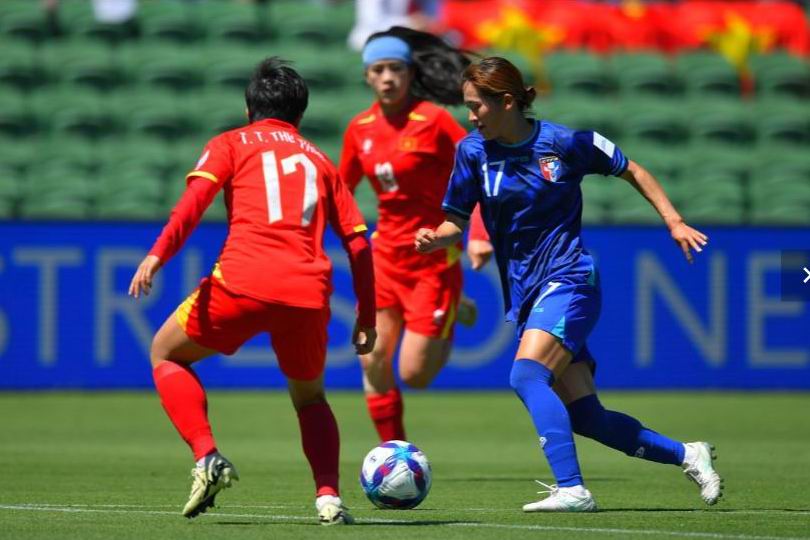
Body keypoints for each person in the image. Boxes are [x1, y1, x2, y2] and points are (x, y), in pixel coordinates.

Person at [415, 56, 723, 512]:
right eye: (467, 106)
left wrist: (674, 221)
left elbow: (633, 169)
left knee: (526, 375)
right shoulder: (472, 152)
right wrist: (434, 238)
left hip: (569, 278)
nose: (471, 115)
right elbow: (454, 222)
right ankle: (687, 454)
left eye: (476, 105)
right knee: (587, 417)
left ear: (507, 101)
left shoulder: (565, 143)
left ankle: (573, 489)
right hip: (526, 292)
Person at [128, 57, 376, 526]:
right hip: (308, 294)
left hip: (241, 283)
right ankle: (328, 498)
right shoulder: (321, 161)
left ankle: (207, 456)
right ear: (300, 114)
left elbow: (193, 204)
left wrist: (157, 255)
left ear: (249, 109)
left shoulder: (230, 143)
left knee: (165, 354)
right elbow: (359, 244)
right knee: (311, 398)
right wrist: (367, 315)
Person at [339, 27, 486, 443]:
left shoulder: (434, 121)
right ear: (367, 76)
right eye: (378, 69)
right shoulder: (359, 128)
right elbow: (341, 191)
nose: (387, 77)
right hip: (384, 257)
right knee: (371, 358)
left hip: (431, 258)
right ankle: (394, 453)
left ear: (409, 73)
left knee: (414, 374)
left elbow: (479, 172)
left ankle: (454, 303)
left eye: (395, 69)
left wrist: (478, 232)